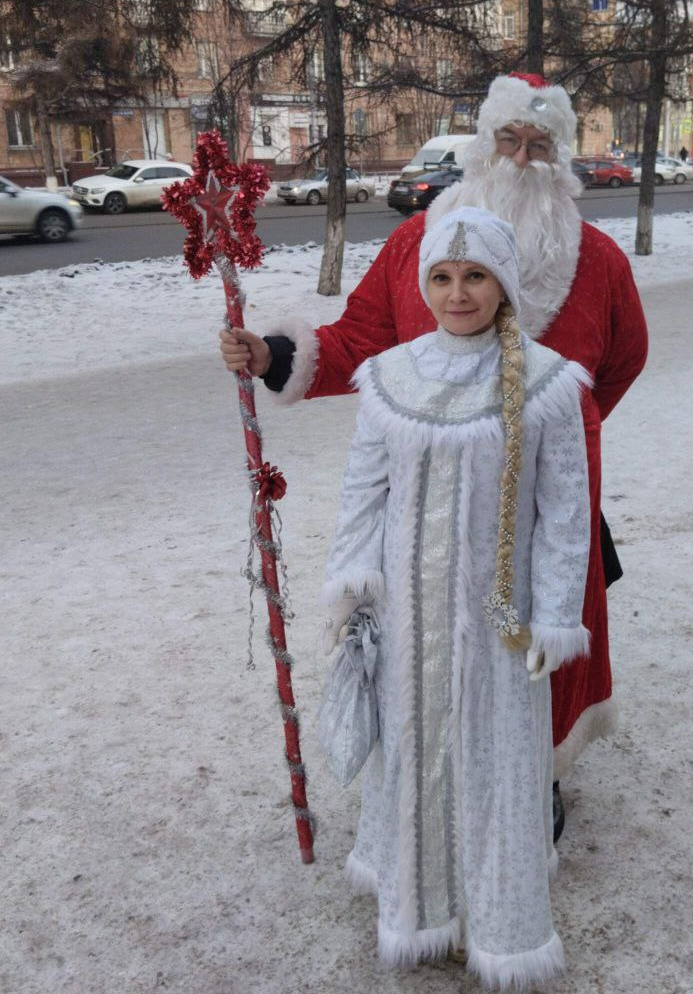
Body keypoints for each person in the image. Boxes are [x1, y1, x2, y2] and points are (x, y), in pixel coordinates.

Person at [219, 72, 647, 836]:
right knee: (437, 648)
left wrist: (562, 435)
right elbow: (358, 339)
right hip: (432, 509)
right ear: (483, 146)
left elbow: (624, 359)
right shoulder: (419, 245)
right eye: (509, 139)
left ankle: (538, 778)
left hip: (543, 505)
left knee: (538, 641)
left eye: (539, 144)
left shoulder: (601, 262)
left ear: (561, 158)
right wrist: (273, 355)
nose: (521, 158)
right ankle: (438, 781)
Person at [322, 206, 590, 989]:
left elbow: (564, 511)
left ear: (503, 284)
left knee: (494, 764)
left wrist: (553, 617)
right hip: (407, 622)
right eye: (442, 277)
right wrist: (353, 586)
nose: (458, 293)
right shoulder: (390, 377)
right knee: (413, 755)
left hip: (498, 624)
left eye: (475, 276)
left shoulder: (545, 383)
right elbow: (364, 491)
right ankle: (419, 909)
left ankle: (497, 922)